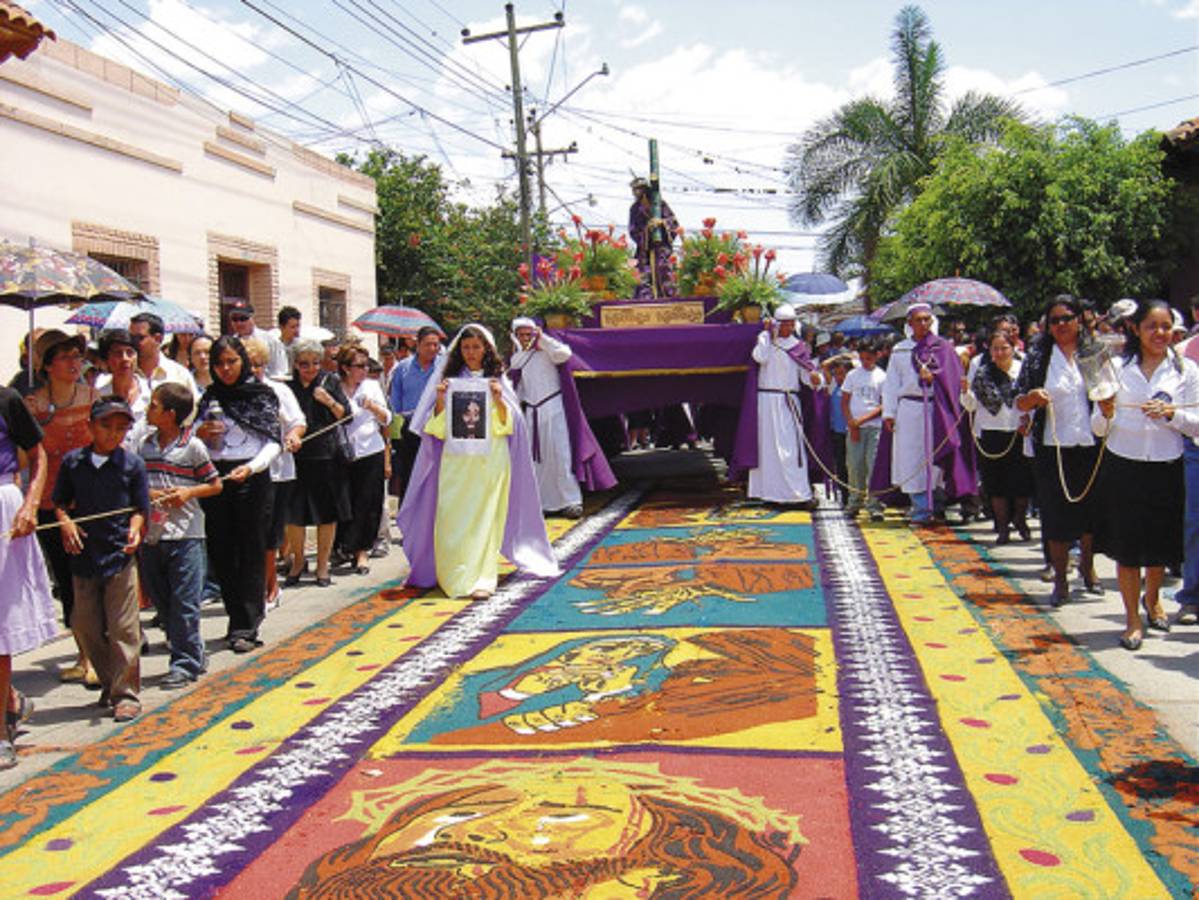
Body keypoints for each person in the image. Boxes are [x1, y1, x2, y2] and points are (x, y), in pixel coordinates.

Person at [397, 324, 558, 599]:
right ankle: (453, 576)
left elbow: (510, 425)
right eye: (466, 347)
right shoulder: (448, 381)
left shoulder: (497, 380)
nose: (471, 353)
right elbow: (435, 428)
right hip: (456, 462)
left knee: (485, 518)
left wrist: (498, 401)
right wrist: (439, 399)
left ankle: (482, 578)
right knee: (452, 517)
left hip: (489, 461)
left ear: (486, 350)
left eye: (476, 347)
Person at [1093, 300, 1199, 650]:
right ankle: (1132, 620)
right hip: (1124, 464)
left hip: (1167, 466)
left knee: (1159, 547)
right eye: (1152, 326)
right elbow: (1098, 426)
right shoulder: (1116, 368)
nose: (1160, 333)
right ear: (1135, 329)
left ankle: (1152, 598)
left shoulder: (1186, 370)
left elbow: (1197, 422)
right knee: (1128, 546)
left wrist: (1172, 415)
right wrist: (1106, 411)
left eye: (1166, 326)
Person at [52, 397, 150, 722]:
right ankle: (109, 680)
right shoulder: (73, 463)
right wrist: (66, 522)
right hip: (84, 556)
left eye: (121, 428)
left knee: (123, 627)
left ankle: (126, 693)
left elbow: (140, 508)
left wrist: (135, 530)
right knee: (86, 624)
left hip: (119, 554)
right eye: (106, 426)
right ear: (91, 427)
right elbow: (60, 503)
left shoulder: (132, 465)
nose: (113, 434)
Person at [1016, 295, 1104, 606]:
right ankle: (1061, 580)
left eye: (1067, 318)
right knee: (1055, 513)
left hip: (1090, 441)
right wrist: (1031, 399)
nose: (1061, 325)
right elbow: (1018, 400)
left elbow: (1108, 393)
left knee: (1090, 512)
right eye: (1054, 320)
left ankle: (1089, 569)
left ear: (1080, 319)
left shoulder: (1094, 354)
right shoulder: (1038, 357)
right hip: (1052, 445)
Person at [195, 336, 281, 652]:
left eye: (231, 361)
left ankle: (247, 624)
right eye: (219, 364)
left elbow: (274, 441)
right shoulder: (209, 397)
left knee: (249, 551)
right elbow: (191, 439)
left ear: (242, 361)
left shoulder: (261, 395)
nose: (226, 369)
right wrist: (200, 432)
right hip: (216, 477)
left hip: (251, 477)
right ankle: (234, 616)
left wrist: (252, 468)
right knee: (222, 551)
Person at [25, 329, 101, 686]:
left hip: (90, 501)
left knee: (92, 577)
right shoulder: (33, 407)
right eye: (66, 357)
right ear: (47, 365)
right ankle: (83, 654)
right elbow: (26, 457)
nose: (75, 363)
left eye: (77, 356)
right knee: (67, 581)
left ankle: (97, 655)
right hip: (49, 503)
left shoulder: (93, 397)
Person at [138, 383, 221, 687]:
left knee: (185, 600)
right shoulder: (145, 445)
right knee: (163, 601)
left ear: (170, 415)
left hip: (187, 533)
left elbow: (214, 484)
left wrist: (187, 493)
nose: (149, 410)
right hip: (154, 534)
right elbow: (135, 484)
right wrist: (151, 494)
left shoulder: (193, 447)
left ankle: (183, 662)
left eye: (154, 406)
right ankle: (192, 649)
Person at [0, 385, 57, 769]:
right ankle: (13, 701)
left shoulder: (6, 401)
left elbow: (39, 455)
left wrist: (31, 504)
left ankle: (2, 730)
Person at [880, 303, 969, 524]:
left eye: (927, 319)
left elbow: (954, 378)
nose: (923, 324)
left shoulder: (942, 348)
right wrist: (889, 413)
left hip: (936, 408)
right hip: (909, 410)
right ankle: (920, 508)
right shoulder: (901, 350)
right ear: (909, 323)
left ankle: (937, 505)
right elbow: (891, 383)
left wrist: (935, 378)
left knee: (936, 455)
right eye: (918, 320)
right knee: (911, 459)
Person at [241, 338, 305, 609]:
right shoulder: (231, 393)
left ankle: (270, 585)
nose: (255, 370)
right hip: (242, 471)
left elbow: (298, 422)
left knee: (269, 533)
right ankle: (253, 587)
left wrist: (293, 436)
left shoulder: (278, 390)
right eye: (250, 365)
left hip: (277, 472)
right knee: (249, 533)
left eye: (260, 365)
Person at [285, 338, 351, 588]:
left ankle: (322, 565)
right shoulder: (288, 387)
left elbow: (346, 417)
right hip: (297, 456)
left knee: (326, 513)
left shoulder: (330, 381)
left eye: (315, 363)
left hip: (326, 456)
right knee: (294, 515)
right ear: (295, 364)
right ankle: (299, 561)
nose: (310, 368)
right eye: (304, 364)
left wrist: (328, 401)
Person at [747, 304, 822, 507]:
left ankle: (798, 494)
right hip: (767, 401)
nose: (787, 328)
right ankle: (770, 494)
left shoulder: (798, 346)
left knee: (790, 449)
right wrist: (768, 337)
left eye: (791, 324)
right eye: (783, 324)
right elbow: (759, 357)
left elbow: (806, 375)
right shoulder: (765, 340)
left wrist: (815, 378)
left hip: (788, 401)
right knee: (768, 449)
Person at [508, 317, 582, 517]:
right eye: (521, 335)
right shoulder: (517, 359)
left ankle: (570, 500)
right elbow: (517, 387)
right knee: (536, 459)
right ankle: (542, 503)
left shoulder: (548, 352)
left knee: (560, 454)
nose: (525, 338)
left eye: (528, 334)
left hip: (553, 406)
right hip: (532, 411)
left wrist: (544, 340)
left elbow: (564, 354)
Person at [965, 328, 1034, 543]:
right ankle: (1003, 528)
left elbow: (1031, 400)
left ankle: (1020, 520)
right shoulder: (983, 373)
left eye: (1004, 348)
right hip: (991, 432)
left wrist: (1029, 421)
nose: (1000, 353)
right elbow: (970, 405)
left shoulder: (1024, 370)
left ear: (1013, 348)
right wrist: (965, 393)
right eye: (995, 349)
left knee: (1021, 483)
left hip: (1018, 432)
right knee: (996, 484)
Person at [333, 344, 389, 575]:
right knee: (344, 501)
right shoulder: (333, 387)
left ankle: (362, 551)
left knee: (367, 503)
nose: (364, 370)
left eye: (366, 365)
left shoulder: (372, 386)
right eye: (359, 366)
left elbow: (387, 419)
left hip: (369, 449)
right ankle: (343, 547)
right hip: (342, 451)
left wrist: (373, 407)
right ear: (346, 368)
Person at [388, 326, 442, 501]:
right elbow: (395, 400)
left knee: (435, 474)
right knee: (409, 472)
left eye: (436, 345)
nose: (432, 349)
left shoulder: (444, 367)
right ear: (417, 345)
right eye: (428, 344)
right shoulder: (403, 368)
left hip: (437, 428)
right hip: (410, 428)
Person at [842, 339, 886, 520]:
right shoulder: (852, 375)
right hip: (854, 427)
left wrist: (863, 420)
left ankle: (874, 503)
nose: (865, 362)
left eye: (869, 358)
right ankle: (854, 501)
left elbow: (884, 404)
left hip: (874, 427)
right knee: (854, 465)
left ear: (877, 356)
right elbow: (845, 400)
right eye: (862, 358)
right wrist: (852, 423)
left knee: (873, 466)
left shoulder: (882, 376)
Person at [628, 177, 679, 300]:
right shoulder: (635, 209)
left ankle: (667, 299)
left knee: (664, 273)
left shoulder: (660, 204)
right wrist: (647, 229)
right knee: (644, 277)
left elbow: (674, 223)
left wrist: (662, 223)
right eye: (634, 190)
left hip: (661, 249)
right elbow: (633, 230)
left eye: (638, 189)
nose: (635, 192)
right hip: (644, 251)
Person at [128, 312, 198, 398]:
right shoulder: (123, 374)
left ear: (158, 338)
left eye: (139, 338)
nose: (133, 342)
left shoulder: (179, 375)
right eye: (130, 337)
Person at [226, 301, 289, 380]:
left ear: (252, 318)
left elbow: (280, 371)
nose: (239, 323)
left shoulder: (270, 340)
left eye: (243, 318)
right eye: (235, 319)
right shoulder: (230, 344)